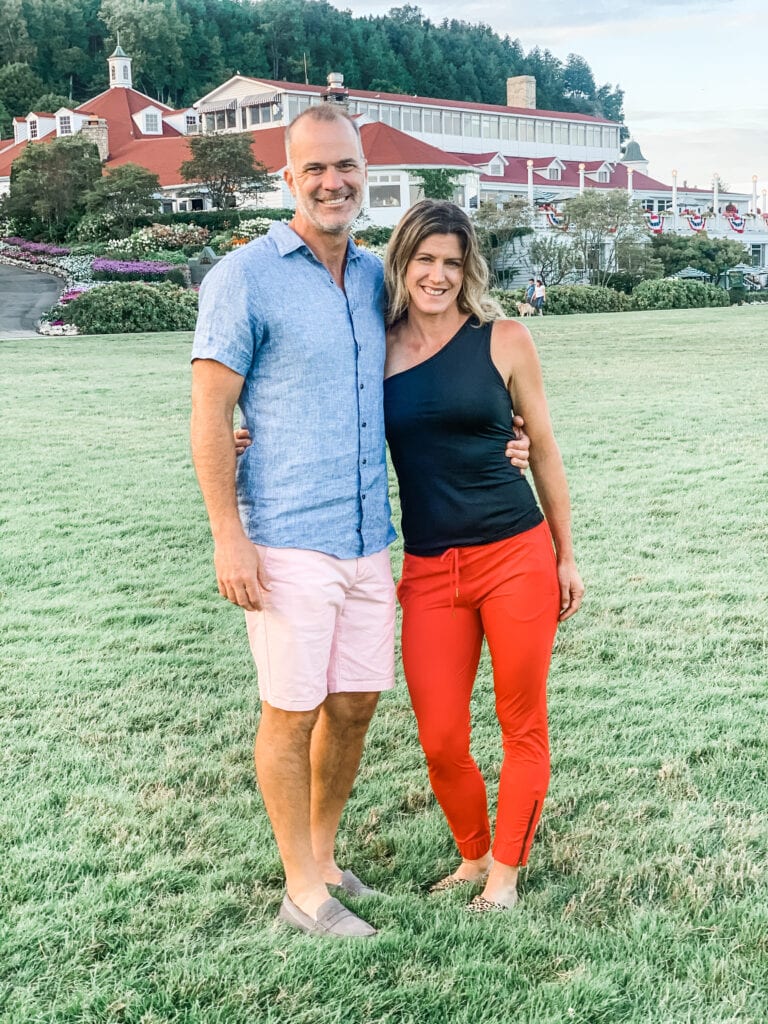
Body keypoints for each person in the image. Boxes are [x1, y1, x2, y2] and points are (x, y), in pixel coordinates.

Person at [190, 105, 530, 939]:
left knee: (354, 705)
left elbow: (440, 359)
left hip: (370, 539)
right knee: (291, 709)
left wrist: (504, 434)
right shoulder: (244, 277)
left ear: (362, 173)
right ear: (289, 179)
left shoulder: (379, 277)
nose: (333, 183)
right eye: (314, 170)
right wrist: (226, 532)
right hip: (285, 535)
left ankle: (326, 857)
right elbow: (209, 409)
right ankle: (303, 894)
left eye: (344, 167)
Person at [383, 201, 584, 911]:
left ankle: (505, 873)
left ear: (467, 270)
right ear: (403, 262)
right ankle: (471, 856)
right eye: (425, 259)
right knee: (440, 737)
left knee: (521, 722)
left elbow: (546, 449)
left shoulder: (505, 339)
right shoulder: (373, 348)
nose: (437, 275)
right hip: (431, 569)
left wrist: (565, 555)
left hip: (516, 554)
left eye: (452, 262)